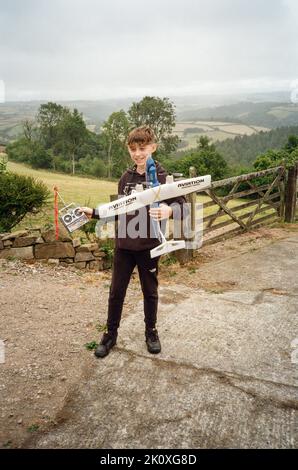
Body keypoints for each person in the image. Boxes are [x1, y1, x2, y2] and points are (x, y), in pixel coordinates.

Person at [78, 126, 187, 358]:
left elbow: (183, 207)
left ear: (153, 147)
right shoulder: (125, 179)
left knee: (150, 291)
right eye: (133, 149)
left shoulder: (165, 178)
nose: (138, 153)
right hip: (124, 246)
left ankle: (151, 331)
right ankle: (110, 335)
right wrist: (94, 213)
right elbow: (119, 210)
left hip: (150, 247)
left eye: (142, 148)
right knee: (116, 292)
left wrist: (168, 210)